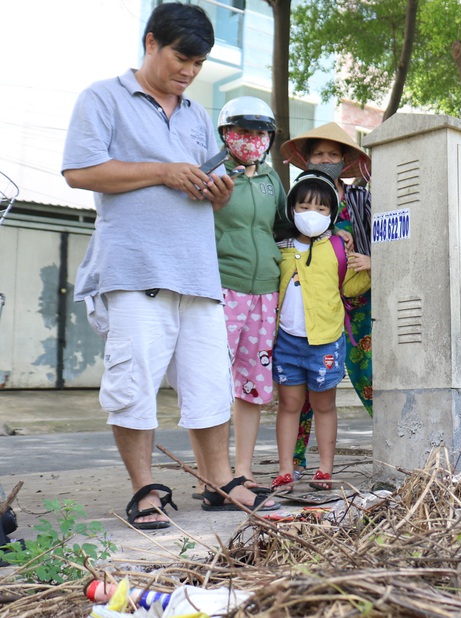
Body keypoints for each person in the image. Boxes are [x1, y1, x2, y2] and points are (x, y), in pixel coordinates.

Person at [62, 2, 275, 530]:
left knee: (209, 384)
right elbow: (79, 172)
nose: (189, 71)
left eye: (199, 63)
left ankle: (219, 483)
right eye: (182, 57)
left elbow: (208, 199)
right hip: (135, 270)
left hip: (199, 273)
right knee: (134, 384)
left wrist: (217, 191)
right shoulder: (103, 97)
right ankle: (144, 489)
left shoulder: (199, 115)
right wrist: (163, 171)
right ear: (151, 41)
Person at [278, 123, 373, 479]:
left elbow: (390, 239)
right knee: (299, 385)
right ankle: (296, 460)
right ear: (307, 158)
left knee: (367, 376)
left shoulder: (362, 199)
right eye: (319, 154)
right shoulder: (297, 200)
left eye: (333, 154)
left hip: (357, 301)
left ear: (345, 160)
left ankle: (394, 443)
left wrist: (372, 260)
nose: (326, 160)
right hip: (307, 305)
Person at [212, 96, 286, 494]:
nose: (252, 139)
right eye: (243, 131)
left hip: (265, 292)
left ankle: (243, 469)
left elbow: (281, 226)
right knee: (213, 381)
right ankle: (216, 470)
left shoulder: (272, 179)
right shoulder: (214, 173)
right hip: (224, 285)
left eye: (260, 132)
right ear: (226, 134)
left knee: (253, 384)